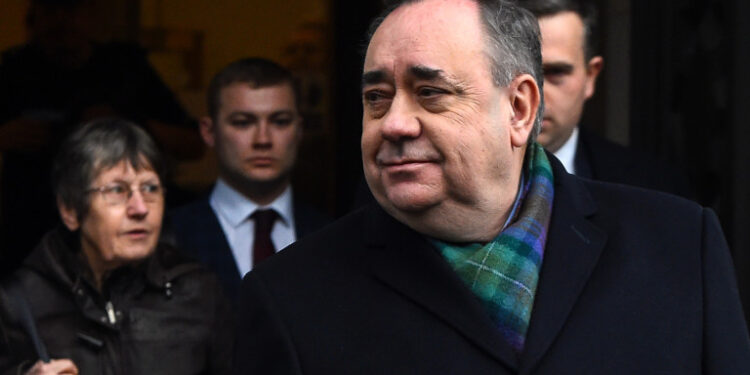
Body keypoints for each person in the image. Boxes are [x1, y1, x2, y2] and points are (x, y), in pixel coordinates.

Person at [232, 0, 750, 374]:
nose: (393, 123)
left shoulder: (681, 244)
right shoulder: (288, 298)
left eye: (430, 92)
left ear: (520, 109)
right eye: (376, 97)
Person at [0, 118, 232, 375]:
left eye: (150, 188)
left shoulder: (197, 292)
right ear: (70, 210)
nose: (140, 208)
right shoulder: (19, 303)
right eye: (117, 191)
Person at [0, 0, 203, 275]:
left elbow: (194, 144)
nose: (61, 21)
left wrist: (127, 125)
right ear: (33, 19)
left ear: (90, 16)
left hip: (123, 223)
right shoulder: (12, 70)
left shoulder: (124, 68)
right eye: (50, 10)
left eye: (70, 9)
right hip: (30, 222)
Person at [169, 58, 331, 302]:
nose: (263, 139)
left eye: (280, 121)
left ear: (298, 130)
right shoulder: (169, 237)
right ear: (209, 132)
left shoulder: (331, 238)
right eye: (243, 122)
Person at [518, 0, 692, 198]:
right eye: (522, 73)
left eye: (556, 72)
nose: (535, 94)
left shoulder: (651, 188)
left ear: (590, 76)